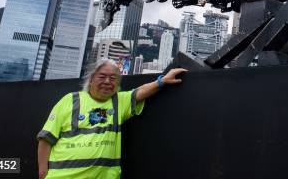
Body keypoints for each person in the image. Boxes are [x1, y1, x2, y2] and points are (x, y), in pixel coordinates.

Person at [36, 59, 187, 178]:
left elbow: (140, 91)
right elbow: (46, 138)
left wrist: (162, 81)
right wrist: (43, 173)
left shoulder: (118, 102)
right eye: (102, 77)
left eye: (113, 78)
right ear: (91, 79)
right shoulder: (70, 100)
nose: (108, 81)